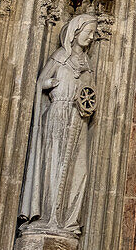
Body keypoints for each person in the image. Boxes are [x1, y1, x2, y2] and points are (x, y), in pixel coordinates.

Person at [20, 14, 99, 235]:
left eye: (93, 33)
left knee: (77, 169)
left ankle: (65, 218)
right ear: (75, 32)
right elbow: (40, 83)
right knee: (54, 165)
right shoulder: (61, 56)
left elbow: (89, 92)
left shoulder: (87, 64)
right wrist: (50, 83)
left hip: (79, 118)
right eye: (88, 32)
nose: (91, 38)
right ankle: (48, 217)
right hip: (58, 114)